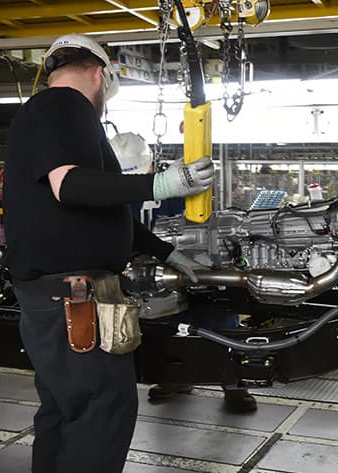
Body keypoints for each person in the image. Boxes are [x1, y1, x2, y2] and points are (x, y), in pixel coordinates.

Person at [2, 33, 213, 473]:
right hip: (74, 297)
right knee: (102, 413)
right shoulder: (64, 107)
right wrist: (164, 184)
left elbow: (102, 208)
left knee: (66, 414)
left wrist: (168, 251)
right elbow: (70, 186)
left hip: (54, 295)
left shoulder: (44, 115)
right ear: (100, 75)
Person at [109, 132, 257, 413]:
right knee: (164, 331)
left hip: (193, 263)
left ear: (153, 166)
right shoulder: (114, 191)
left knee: (219, 322)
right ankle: (177, 377)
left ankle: (235, 385)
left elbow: (201, 223)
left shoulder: (177, 181)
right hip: (150, 272)